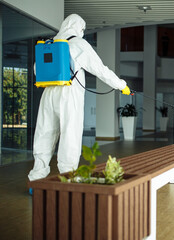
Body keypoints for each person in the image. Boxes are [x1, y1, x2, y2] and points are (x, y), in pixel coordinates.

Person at [28, 14, 130, 182]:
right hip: (69, 92)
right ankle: (68, 177)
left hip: (48, 94)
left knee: (44, 133)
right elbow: (100, 70)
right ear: (79, 27)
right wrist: (121, 86)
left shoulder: (49, 43)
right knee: (70, 133)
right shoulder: (78, 43)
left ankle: (36, 178)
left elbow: (36, 70)